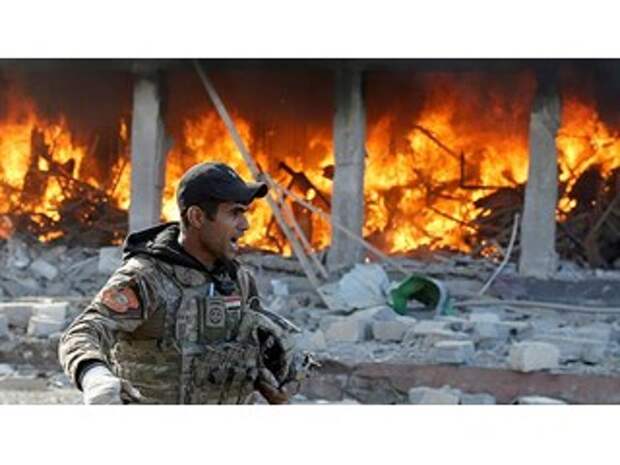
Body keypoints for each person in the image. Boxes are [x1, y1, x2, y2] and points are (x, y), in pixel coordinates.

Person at [58, 162, 308, 404]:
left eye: (244, 213)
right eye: (234, 213)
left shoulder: (239, 280)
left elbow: (252, 349)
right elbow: (83, 332)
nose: (245, 225)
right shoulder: (147, 277)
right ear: (197, 217)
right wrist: (95, 377)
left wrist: (275, 381)